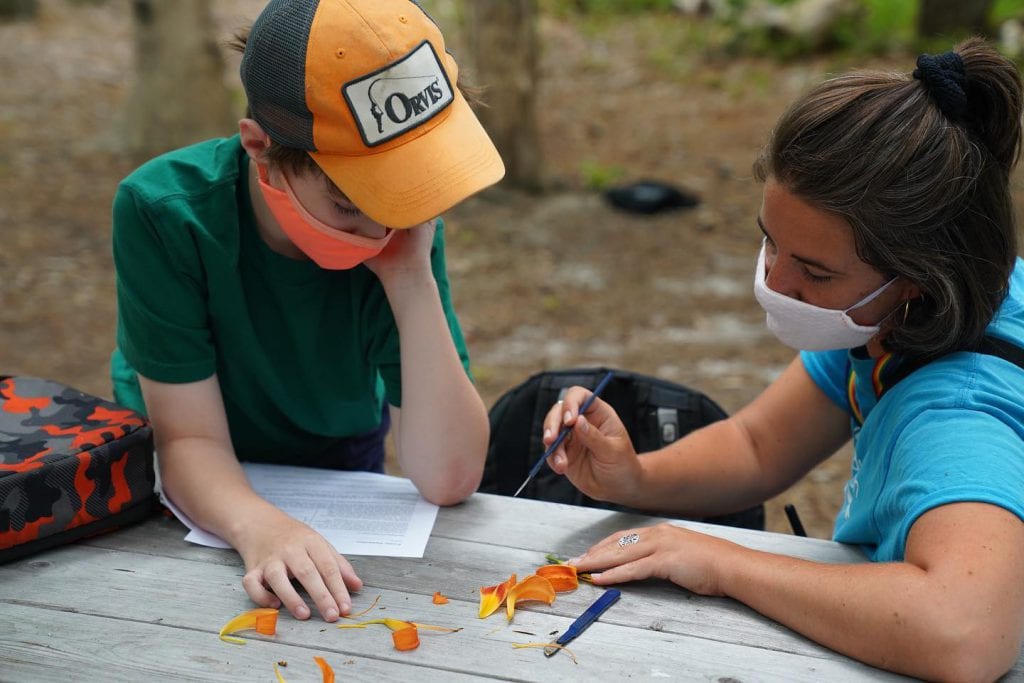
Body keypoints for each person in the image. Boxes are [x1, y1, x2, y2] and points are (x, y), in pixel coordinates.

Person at [542, 38, 1024, 681]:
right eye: (771, 242)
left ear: (917, 279)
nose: (775, 280)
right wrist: (633, 478)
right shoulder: (896, 321)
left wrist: (722, 563)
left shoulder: (957, 413)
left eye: (814, 273)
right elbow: (759, 445)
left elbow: (965, 632)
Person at [110, 0, 504, 624]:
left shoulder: (405, 225)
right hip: (189, 478)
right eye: (352, 204)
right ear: (260, 148)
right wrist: (260, 527)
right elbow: (186, 438)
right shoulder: (165, 212)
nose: (383, 228)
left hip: (335, 452)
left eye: (403, 193)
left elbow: (449, 475)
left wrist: (409, 278)